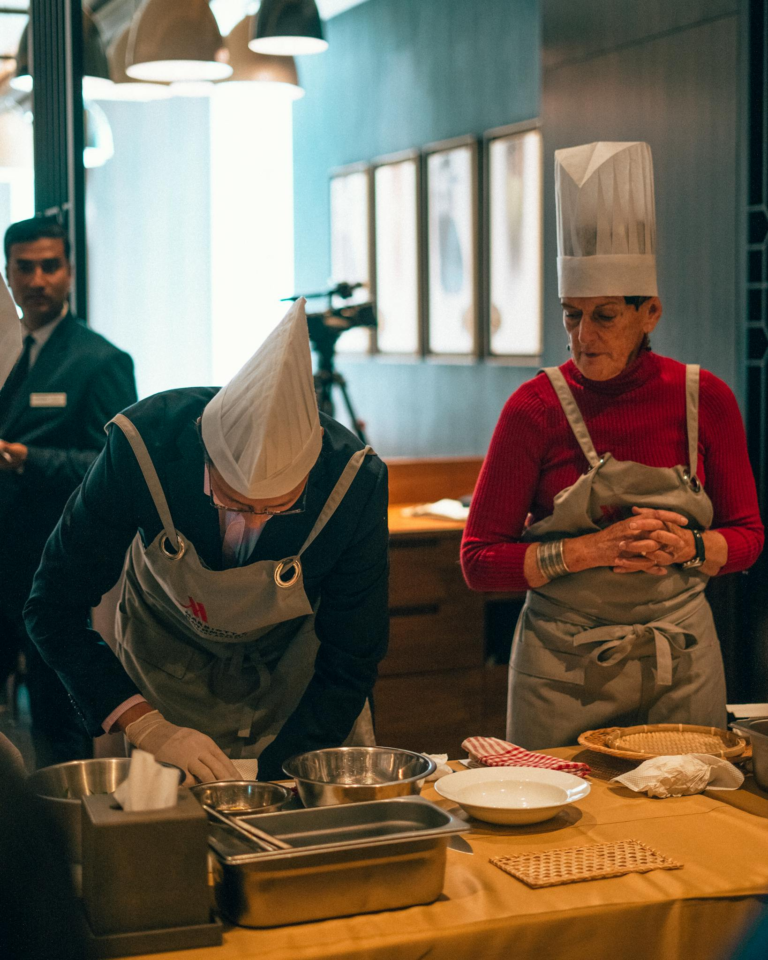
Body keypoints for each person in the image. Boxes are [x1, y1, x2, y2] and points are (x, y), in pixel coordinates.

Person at [461, 141, 764, 748]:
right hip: (563, 670)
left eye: (604, 316)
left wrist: (689, 544)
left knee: (690, 824)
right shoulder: (535, 408)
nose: (582, 336)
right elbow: (477, 560)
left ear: (649, 312)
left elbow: (749, 538)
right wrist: (590, 550)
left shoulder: (706, 398)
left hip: (682, 661)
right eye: (571, 315)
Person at [25, 298, 389, 784]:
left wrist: (282, 777)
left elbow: (352, 655)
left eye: (276, 508)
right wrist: (147, 724)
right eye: (229, 501)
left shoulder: (352, 482)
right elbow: (51, 607)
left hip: (298, 690)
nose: (251, 521)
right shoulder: (142, 447)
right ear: (204, 453)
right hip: (168, 682)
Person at [0, 217, 137, 767]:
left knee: (59, 719)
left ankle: (71, 841)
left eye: (49, 266)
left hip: (51, 568)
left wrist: (27, 458)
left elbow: (113, 466)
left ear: (70, 274)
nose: (37, 279)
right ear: (8, 274)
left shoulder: (100, 360)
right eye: (24, 267)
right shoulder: (8, 354)